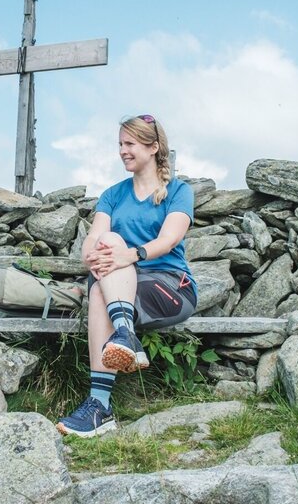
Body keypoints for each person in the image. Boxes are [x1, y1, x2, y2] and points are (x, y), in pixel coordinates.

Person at [57, 114, 198, 437]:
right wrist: (91, 254)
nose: (122, 150)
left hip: (169, 287)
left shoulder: (179, 191)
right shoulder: (113, 194)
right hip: (119, 290)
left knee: (103, 280)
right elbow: (95, 236)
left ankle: (101, 402)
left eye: (130, 143)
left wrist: (129, 256)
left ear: (153, 147)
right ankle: (122, 341)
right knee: (105, 252)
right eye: (120, 144)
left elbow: (169, 239)